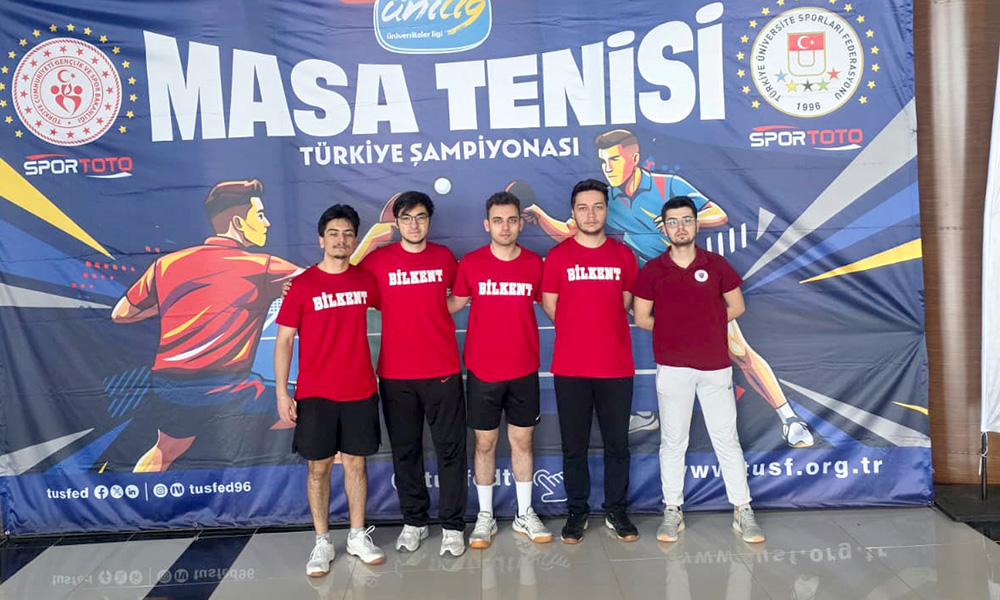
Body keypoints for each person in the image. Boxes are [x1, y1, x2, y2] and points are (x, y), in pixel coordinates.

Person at [523, 128, 814, 448]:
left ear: (634, 158)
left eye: (614, 161)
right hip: (650, 286)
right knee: (647, 346)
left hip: (688, 282)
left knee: (737, 349)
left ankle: (789, 418)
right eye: (604, 163)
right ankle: (647, 412)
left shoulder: (667, 185)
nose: (608, 169)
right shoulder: (608, 200)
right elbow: (568, 232)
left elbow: (718, 214)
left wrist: (678, 222)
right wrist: (539, 215)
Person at [111, 179, 300, 471]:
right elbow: (328, 280)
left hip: (170, 390)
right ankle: (341, 497)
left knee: (165, 450)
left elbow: (121, 313)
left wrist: (171, 302)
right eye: (260, 215)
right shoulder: (261, 266)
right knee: (317, 415)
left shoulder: (167, 264)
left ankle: (136, 498)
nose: (267, 223)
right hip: (229, 390)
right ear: (238, 222)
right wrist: (367, 246)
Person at [632, 196, 765, 544]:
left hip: (714, 367)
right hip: (672, 368)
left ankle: (743, 510)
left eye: (686, 220)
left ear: (697, 224)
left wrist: (705, 324)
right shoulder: (653, 270)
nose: (680, 227)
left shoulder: (716, 265)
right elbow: (642, 317)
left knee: (726, 439)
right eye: (673, 222)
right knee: (673, 441)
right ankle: (672, 510)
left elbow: (737, 305)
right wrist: (675, 329)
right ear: (664, 228)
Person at [274, 204, 385, 576]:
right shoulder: (302, 285)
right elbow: (284, 341)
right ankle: (322, 541)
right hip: (315, 393)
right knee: (318, 468)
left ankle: (356, 535)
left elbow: (400, 303)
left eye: (348, 234)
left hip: (359, 389)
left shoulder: (366, 281)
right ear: (321, 239)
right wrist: (282, 392)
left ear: (355, 240)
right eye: (334, 233)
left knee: (356, 464)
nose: (341, 240)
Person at [358, 191, 469, 557]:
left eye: (420, 217)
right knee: (406, 451)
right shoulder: (378, 261)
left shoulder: (444, 257)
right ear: (397, 223)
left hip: (442, 370)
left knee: (450, 450)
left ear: (429, 221)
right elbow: (343, 277)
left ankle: (452, 525)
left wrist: (434, 313)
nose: (414, 224)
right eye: (406, 218)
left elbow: (459, 297)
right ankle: (415, 521)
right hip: (396, 374)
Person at [448, 191, 552, 549]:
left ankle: (524, 513)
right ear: (486, 225)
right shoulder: (471, 264)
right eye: (498, 220)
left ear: (520, 223)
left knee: (522, 442)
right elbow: (453, 303)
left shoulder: (535, 264)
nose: (505, 227)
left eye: (511, 220)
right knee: (484, 443)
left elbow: (554, 306)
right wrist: (411, 307)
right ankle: (485, 516)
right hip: (483, 371)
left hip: (523, 369)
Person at [540, 179, 639, 544]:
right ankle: (577, 512)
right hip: (571, 368)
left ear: (606, 210)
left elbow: (625, 303)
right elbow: (551, 305)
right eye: (583, 208)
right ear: (573, 212)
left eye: (597, 207)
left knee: (617, 446)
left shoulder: (623, 255)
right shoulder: (558, 257)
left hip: (615, 366)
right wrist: (578, 329)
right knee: (574, 447)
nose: (591, 214)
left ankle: (616, 511)